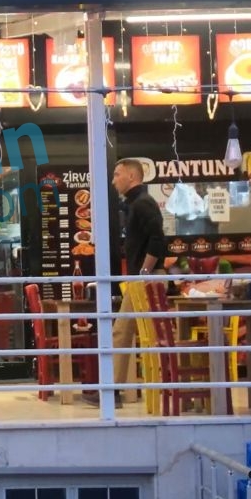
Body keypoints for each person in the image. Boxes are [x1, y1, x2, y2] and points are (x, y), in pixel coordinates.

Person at [110, 158, 168, 404]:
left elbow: (158, 241)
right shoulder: (136, 204)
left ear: (132, 176)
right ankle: (115, 388)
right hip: (144, 279)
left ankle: (111, 390)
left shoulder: (143, 203)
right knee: (136, 333)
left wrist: (143, 273)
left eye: (117, 174)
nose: (113, 181)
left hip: (146, 279)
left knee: (121, 331)